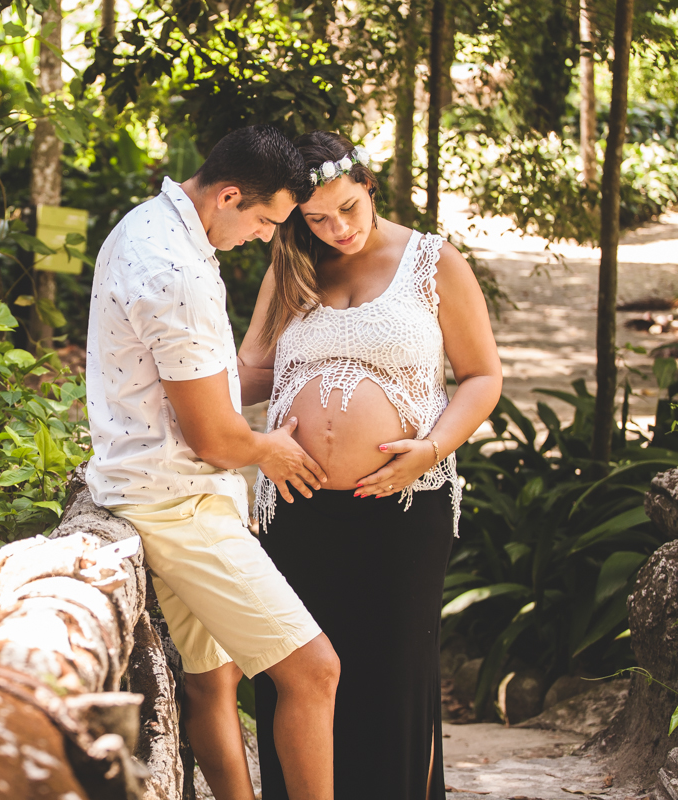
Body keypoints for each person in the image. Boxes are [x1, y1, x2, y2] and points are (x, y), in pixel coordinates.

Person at [238, 130, 502, 800]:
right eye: (317, 218)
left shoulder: (433, 262)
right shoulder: (292, 264)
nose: (337, 229)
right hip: (293, 509)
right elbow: (248, 372)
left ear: (370, 187)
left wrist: (432, 450)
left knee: (390, 678)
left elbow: (481, 378)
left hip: (403, 508)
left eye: (348, 208)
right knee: (295, 675)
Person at [86, 124, 339, 800]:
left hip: (156, 487)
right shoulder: (175, 272)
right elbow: (216, 441)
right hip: (179, 503)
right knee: (315, 671)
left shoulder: (148, 225)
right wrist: (272, 450)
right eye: (263, 220)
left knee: (212, 678)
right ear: (229, 194)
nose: (264, 236)